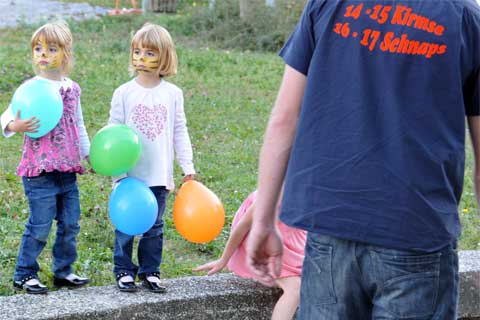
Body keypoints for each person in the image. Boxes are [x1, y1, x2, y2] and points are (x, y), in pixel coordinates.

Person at [247, 0, 480, 319]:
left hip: (331, 230)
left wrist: (263, 221)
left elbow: (284, 118)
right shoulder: (466, 18)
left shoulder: (329, 4)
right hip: (417, 231)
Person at [0, 21, 91, 294]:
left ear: (66, 53)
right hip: (39, 172)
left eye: (51, 49)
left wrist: (88, 155)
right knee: (39, 224)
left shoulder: (72, 89)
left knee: (70, 223)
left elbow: (79, 123)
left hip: (67, 170)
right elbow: (7, 116)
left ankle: (64, 271)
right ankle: (24, 273)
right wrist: (13, 126)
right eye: (38, 48)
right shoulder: (31, 88)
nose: (43, 54)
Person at [108, 23, 195, 293]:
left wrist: (187, 165)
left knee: (154, 227)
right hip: (129, 174)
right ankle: (123, 270)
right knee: (126, 225)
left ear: (164, 57)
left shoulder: (172, 94)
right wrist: (116, 171)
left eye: (149, 53)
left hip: (158, 173)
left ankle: (150, 271)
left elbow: (180, 131)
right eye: (137, 52)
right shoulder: (124, 93)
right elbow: (114, 131)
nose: (141, 59)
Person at [194, 190, 306, 320]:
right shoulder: (277, 192)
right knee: (295, 289)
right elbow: (243, 226)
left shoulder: (314, 188)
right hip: (261, 237)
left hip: (288, 231)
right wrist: (223, 260)